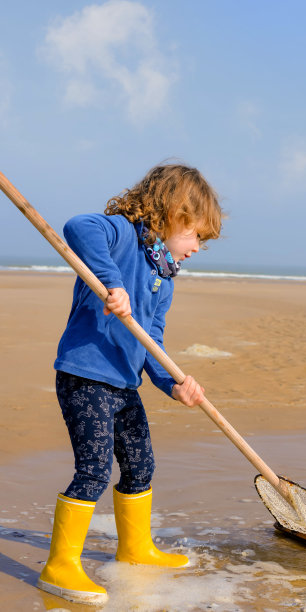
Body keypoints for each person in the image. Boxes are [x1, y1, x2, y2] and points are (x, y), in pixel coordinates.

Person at [37, 163, 222, 605]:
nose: (197, 248)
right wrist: (112, 285)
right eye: (196, 234)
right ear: (174, 213)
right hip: (85, 375)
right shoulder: (122, 234)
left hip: (123, 384)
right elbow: (78, 227)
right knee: (95, 469)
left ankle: (135, 548)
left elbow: (152, 343)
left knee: (141, 466)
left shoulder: (164, 278)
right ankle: (59, 566)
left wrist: (173, 383)